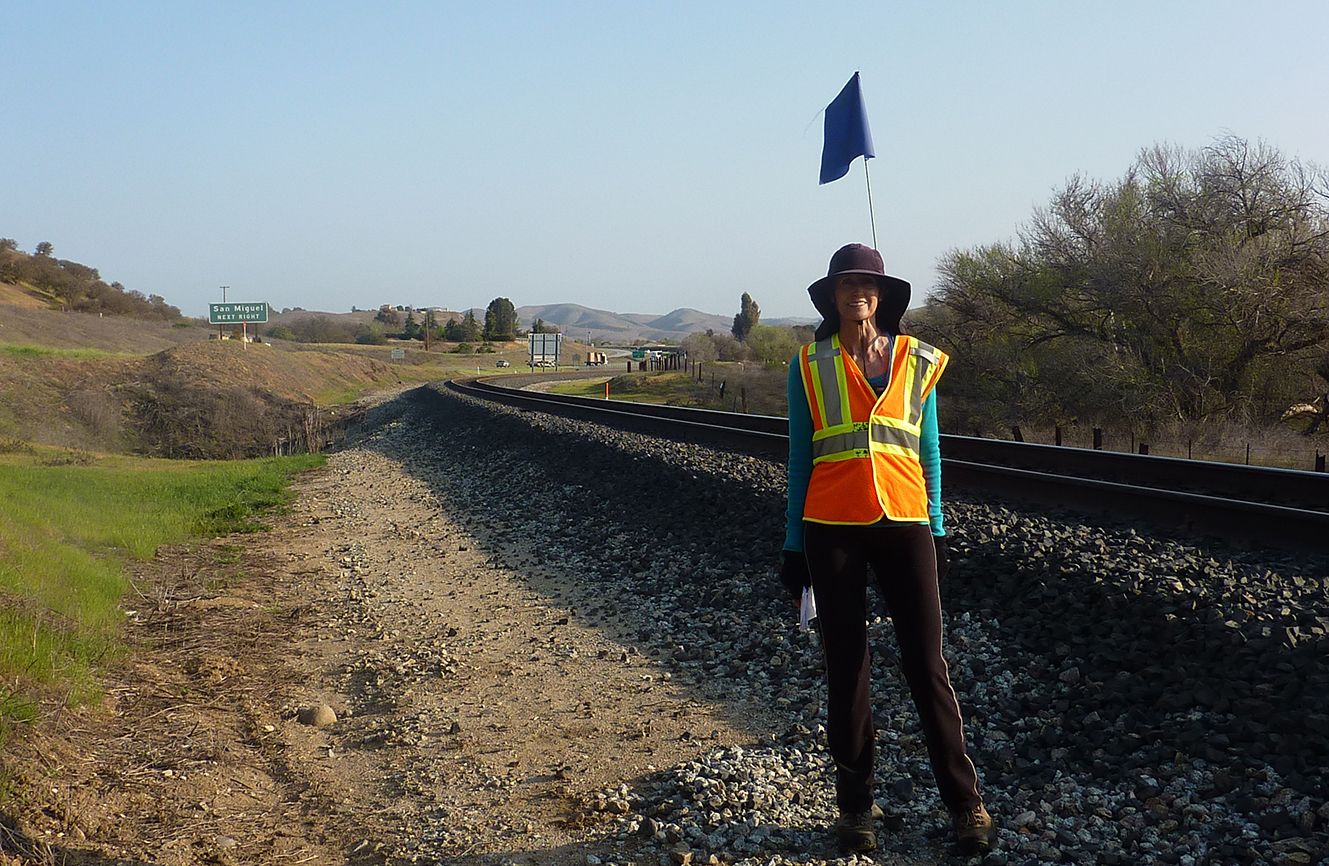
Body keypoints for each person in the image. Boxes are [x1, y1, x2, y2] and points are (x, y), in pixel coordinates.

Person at [779, 243, 994, 855]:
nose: (857, 294)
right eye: (845, 284)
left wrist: (940, 528)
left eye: (866, 284)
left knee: (928, 665)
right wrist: (794, 546)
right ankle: (855, 809)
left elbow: (929, 453)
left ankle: (965, 804)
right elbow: (800, 458)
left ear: (884, 294)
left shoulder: (917, 361)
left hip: (905, 523)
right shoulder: (808, 364)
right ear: (833, 296)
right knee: (847, 668)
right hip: (831, 526)